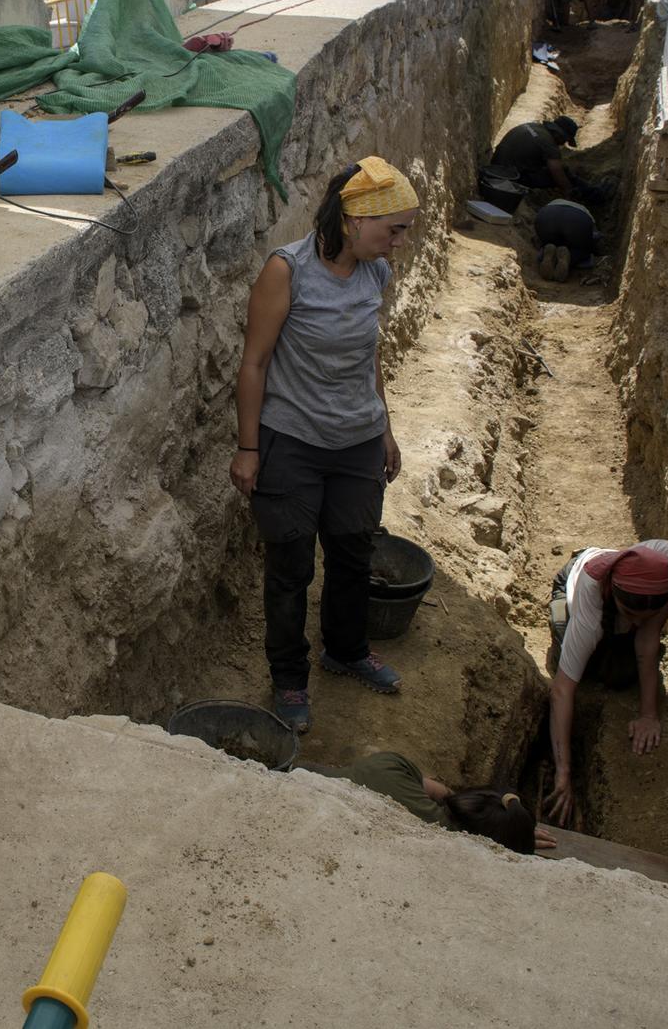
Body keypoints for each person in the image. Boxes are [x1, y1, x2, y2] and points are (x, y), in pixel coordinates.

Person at [230, 158, 419, 731]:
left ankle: (346, 649)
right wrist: (248, 448)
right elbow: (254, 363)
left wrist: (383, 426)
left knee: (352, 553)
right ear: (353, 220)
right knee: (290, 567)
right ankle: (289, 680)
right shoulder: (287, 271)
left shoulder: (375, 273)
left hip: (357, 441)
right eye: (394, 229)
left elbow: (369, 357)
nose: (399, 243)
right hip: (294, 441)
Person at [541, 541, 668, 828]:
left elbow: (648, 636)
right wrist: (563, 773)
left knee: (621, 675)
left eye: (641, 619)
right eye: (630, 615)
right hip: (576, 584)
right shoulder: (590, 604)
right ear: (613, 596)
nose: (636, 623)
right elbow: (562, 689)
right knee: (580, 663)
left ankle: (615, 637)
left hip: (626, 592)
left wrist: (648, 715)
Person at [312, 752, 558, 853]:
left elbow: (434, 789)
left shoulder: (387, 767)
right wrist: (513, 832)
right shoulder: (449, 846)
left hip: (297, 775)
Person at [490, 117, 581, 197]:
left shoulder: (533, 125)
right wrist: (568, 190)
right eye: (564, 140)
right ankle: (589, 193)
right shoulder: (549, 144)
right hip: (511, 179)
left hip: (495, 169)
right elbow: (556, 171)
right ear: (559, 134)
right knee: (563, 172)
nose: (563, 144)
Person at [534, 198, 599, 283]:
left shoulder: (555, 201)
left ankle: (546, 253)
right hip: (578, 219)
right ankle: (570, 258)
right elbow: (594, 236)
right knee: (580, 249)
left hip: (547, 215)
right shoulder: (584, 209)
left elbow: (538, 235)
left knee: (548, 242)